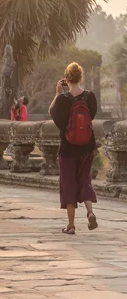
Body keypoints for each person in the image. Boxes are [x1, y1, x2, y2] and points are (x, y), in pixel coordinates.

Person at [50, 62, 99, 235]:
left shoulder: (63, 100)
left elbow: (56, 119)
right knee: (84, 180)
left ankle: (71, 225)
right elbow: (90, 118)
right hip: (87, 146)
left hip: (68, 148)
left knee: (68, 183)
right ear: (81, 77)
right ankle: (90, 212)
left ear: (66, 78)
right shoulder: (90, 97)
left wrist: (57, 95)